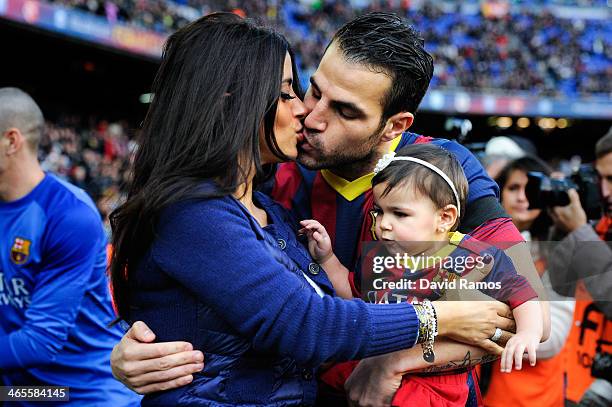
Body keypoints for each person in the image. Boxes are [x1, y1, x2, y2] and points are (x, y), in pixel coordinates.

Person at [111, 12, 549, 406]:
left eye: (343, 111)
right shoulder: (271, 175)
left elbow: (524, 306)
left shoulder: (443, 171)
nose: (311, 116)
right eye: (311, 90)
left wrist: (395, 362)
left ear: (394, 126)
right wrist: (131, 352)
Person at [300, 144, 543, 406]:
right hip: (373, 360)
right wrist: (327, 258)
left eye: (400, 214)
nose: (384, 224)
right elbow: (354, 296)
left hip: (434, 384)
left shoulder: (473, 256)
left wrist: (528, 332)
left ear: (444, 218)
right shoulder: (379, 255)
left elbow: (524, 295)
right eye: (379, 210)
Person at [0, 87, 140, 405]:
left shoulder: (67, 213)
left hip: (80, 393)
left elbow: (39, 341)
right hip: (22, 392)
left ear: (11, 141)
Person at [481, 156, 576, 407]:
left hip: (533, 396)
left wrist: (479, 325)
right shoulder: (474, 245)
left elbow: (552, 340)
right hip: (481, 392)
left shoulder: (561, 254)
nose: (522, 197)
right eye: (513, 188)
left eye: (530, 189)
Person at [548, 129, 612, 407]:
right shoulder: (600, 225)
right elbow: (560, 285)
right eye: (602, 179)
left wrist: (578, 231)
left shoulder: (588, 230)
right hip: (575, 380)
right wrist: (563, 229)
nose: (606, 192)